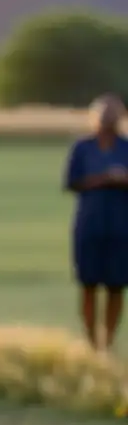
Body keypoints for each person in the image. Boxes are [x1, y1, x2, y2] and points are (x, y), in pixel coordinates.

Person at [63, 94, 128, 349]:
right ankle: (92, 342)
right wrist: (103, 179)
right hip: (90, 225)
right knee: (88, 284)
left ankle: (108, 342)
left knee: (116, 286)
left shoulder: (126, 147)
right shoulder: (82, 148)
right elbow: (71, 182)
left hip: (121, 227)